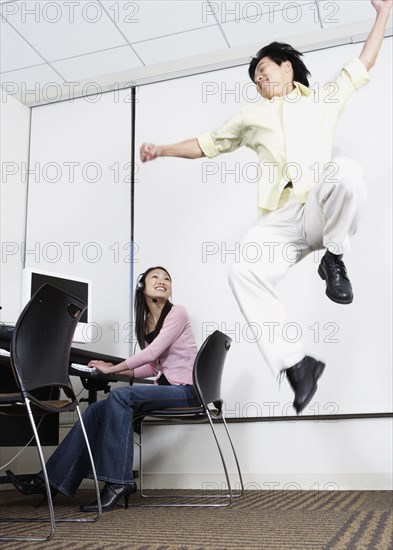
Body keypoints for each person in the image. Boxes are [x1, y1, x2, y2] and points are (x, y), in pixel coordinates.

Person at [139, 0, 392, 414]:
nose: (259, 79)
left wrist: (383, 13)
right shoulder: (251, 115)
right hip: (281, 219)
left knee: (346, 172)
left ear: (288, 67)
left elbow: (364, 62)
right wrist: (163, 149)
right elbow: (207, 144)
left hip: (318, 208)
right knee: (242, 270)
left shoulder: (323, 99)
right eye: (255, 78)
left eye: (264, 70)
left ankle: (335, 257)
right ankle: (296, 366)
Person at [6, 266, 199, 512]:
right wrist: (115, 369)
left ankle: (117, 482)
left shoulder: (177, 313)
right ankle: (49, 481)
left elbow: (150, 353)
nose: (162, 281)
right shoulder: (146, 325)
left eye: (167, 278)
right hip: (168, 386)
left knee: (121, 395)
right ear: (142, 287)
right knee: (96, 410)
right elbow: (152, 367)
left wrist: (112, 369)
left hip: (187, 391)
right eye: (155, 277)